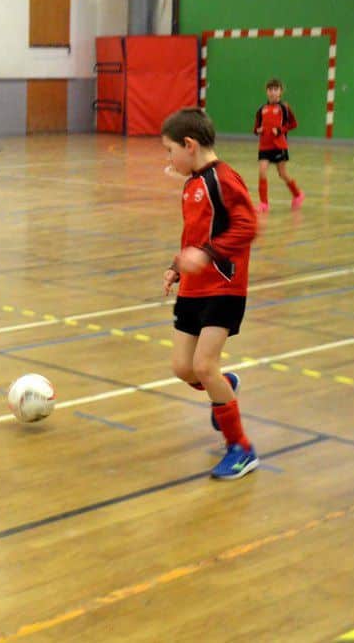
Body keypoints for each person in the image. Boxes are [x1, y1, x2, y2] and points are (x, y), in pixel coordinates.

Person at [161, 107, 259, 480]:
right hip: (193, 289)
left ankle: (242, 449)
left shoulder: (225, 179)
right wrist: (176, 264)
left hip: (224, 287)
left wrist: (206, 255)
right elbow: (193, 236)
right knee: (182, 368)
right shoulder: (192, 185)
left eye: (170, 151)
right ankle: (224, 389)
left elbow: (247, 226)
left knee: (204, 365)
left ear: (189, 145)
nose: (168, 160)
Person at [252, 78, 303, 213]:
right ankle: (264, 204)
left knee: (282, 174)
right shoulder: (261, 109)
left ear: (280, 92)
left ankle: (297, 194)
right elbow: (255, 128)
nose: (273, 92)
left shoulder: (284, 108)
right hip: (264, 146)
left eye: (276, 89)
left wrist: (280, 130)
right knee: (262, 171)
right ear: (266, 92)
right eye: (270, 89)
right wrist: (258, 130)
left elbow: (293, 124)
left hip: (279, 146)